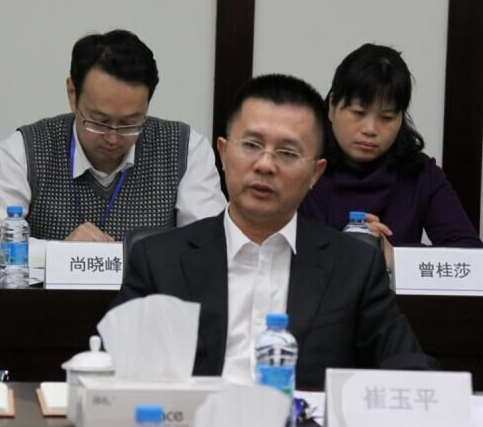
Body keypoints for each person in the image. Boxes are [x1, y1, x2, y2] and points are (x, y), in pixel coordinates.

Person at [113, 74, 437, 388]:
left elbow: (408, 366)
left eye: (288, 153)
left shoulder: (354, 266)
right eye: (251, 145)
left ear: (315, 174)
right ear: (223, 153)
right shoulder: (159, 260)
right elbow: (111, 371)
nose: (265, 165)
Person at [0, 29, 226, 268]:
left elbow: (212, 247)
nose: (112, 137)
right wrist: (59, 252)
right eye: (99, 121)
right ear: (72, 94)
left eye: (130, 123)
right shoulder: (25, 150)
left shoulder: (186, 150)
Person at [300, 43, 483, 267]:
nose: (370, 129)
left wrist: (395, 256)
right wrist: (341, 249)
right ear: (331, 106)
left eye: (386, 117)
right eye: (358, 112)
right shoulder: (301, 166)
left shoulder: (420, 173)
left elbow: (472, 259)